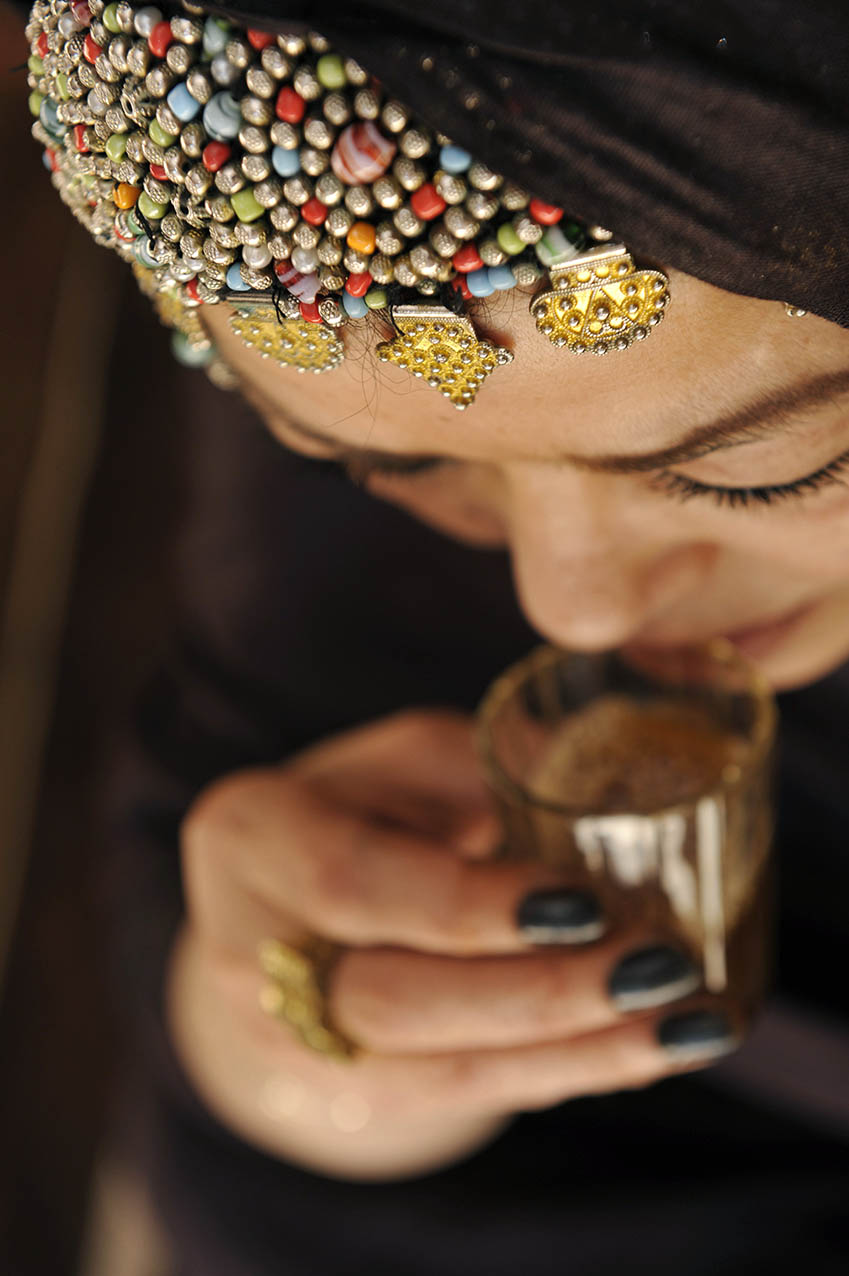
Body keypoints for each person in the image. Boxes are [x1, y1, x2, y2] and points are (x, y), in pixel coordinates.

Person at [24, 0, 849, 1270]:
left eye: (761, 473)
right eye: (390, 465)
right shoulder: (336, 300)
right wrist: (288, 1056)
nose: (571, 608)